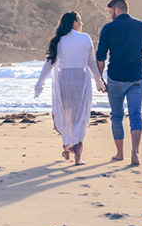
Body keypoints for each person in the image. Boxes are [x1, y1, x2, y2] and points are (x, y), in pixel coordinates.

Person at [35, 11, 106, 165]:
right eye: (80, 20)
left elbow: (48, 64)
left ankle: (67, 149)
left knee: (67, 117)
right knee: (79, 118)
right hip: (80, 81)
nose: (82, 24)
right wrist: (99, 82)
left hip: (64, 81)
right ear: (74, 21)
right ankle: (77, 157)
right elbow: (91, 63)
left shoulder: (58, 40)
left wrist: (40, 84)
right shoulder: (85, 38)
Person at [96, 0, 142, 166]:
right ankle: (135, 152)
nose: (110, 16)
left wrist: (100, 79)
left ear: (117, 10)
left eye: (111, 12)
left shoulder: (108, 28)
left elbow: (100, 57)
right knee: (136, 115)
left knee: (117, 116)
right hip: (136, 78)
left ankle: (119, 153)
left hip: (115, 78)